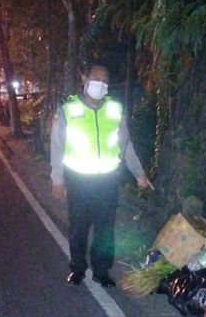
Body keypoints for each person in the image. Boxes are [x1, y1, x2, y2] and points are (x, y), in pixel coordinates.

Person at [51, 63, 152, 287]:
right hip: (78, 181)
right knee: (78, 228)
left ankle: (101, 271)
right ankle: (77, 269)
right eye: (96, 78)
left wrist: (139, 174)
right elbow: (57, 148)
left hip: (107, 181)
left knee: (105, 230)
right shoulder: (68, 110)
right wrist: (57, 180)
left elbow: (126, 146)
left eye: (104, 80)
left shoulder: (115, 110)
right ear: (84, 78)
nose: (100, 83)